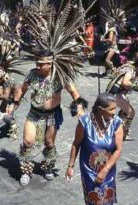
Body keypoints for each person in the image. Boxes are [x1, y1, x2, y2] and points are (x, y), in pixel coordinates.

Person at [11, 51, 86, 185]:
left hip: (52, 115)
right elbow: (22, 89)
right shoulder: (33, 74)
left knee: (49, 143)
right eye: (37, 63)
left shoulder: (60, 76)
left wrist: (79, 107)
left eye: (41, 64)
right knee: (28, 142)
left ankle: (48, 166)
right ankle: (26, 170)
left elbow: (74, 92)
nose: (38, 66)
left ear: (50, 63)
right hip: (34, 113)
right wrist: (14, 103)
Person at [66, 92, 123, 205]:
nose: (114, 112)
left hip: (108, 170)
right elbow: (76, 144)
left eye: (115, 109)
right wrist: (70, 166)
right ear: (101, 109)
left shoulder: (116, 123)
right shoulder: (85, 122)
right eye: (111, 109)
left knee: (106, 201)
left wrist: (105, 170)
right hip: (89, 171)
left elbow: (118, 150)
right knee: (94, 202)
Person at [105, 62, 137, 141]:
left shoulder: (125, 66)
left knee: (124, 112)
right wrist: (136, 86)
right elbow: (125, 82)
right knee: (131, 112)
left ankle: (116, 129)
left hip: (114, 92)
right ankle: (123, 134)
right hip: (115, 94)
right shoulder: (131, 69)